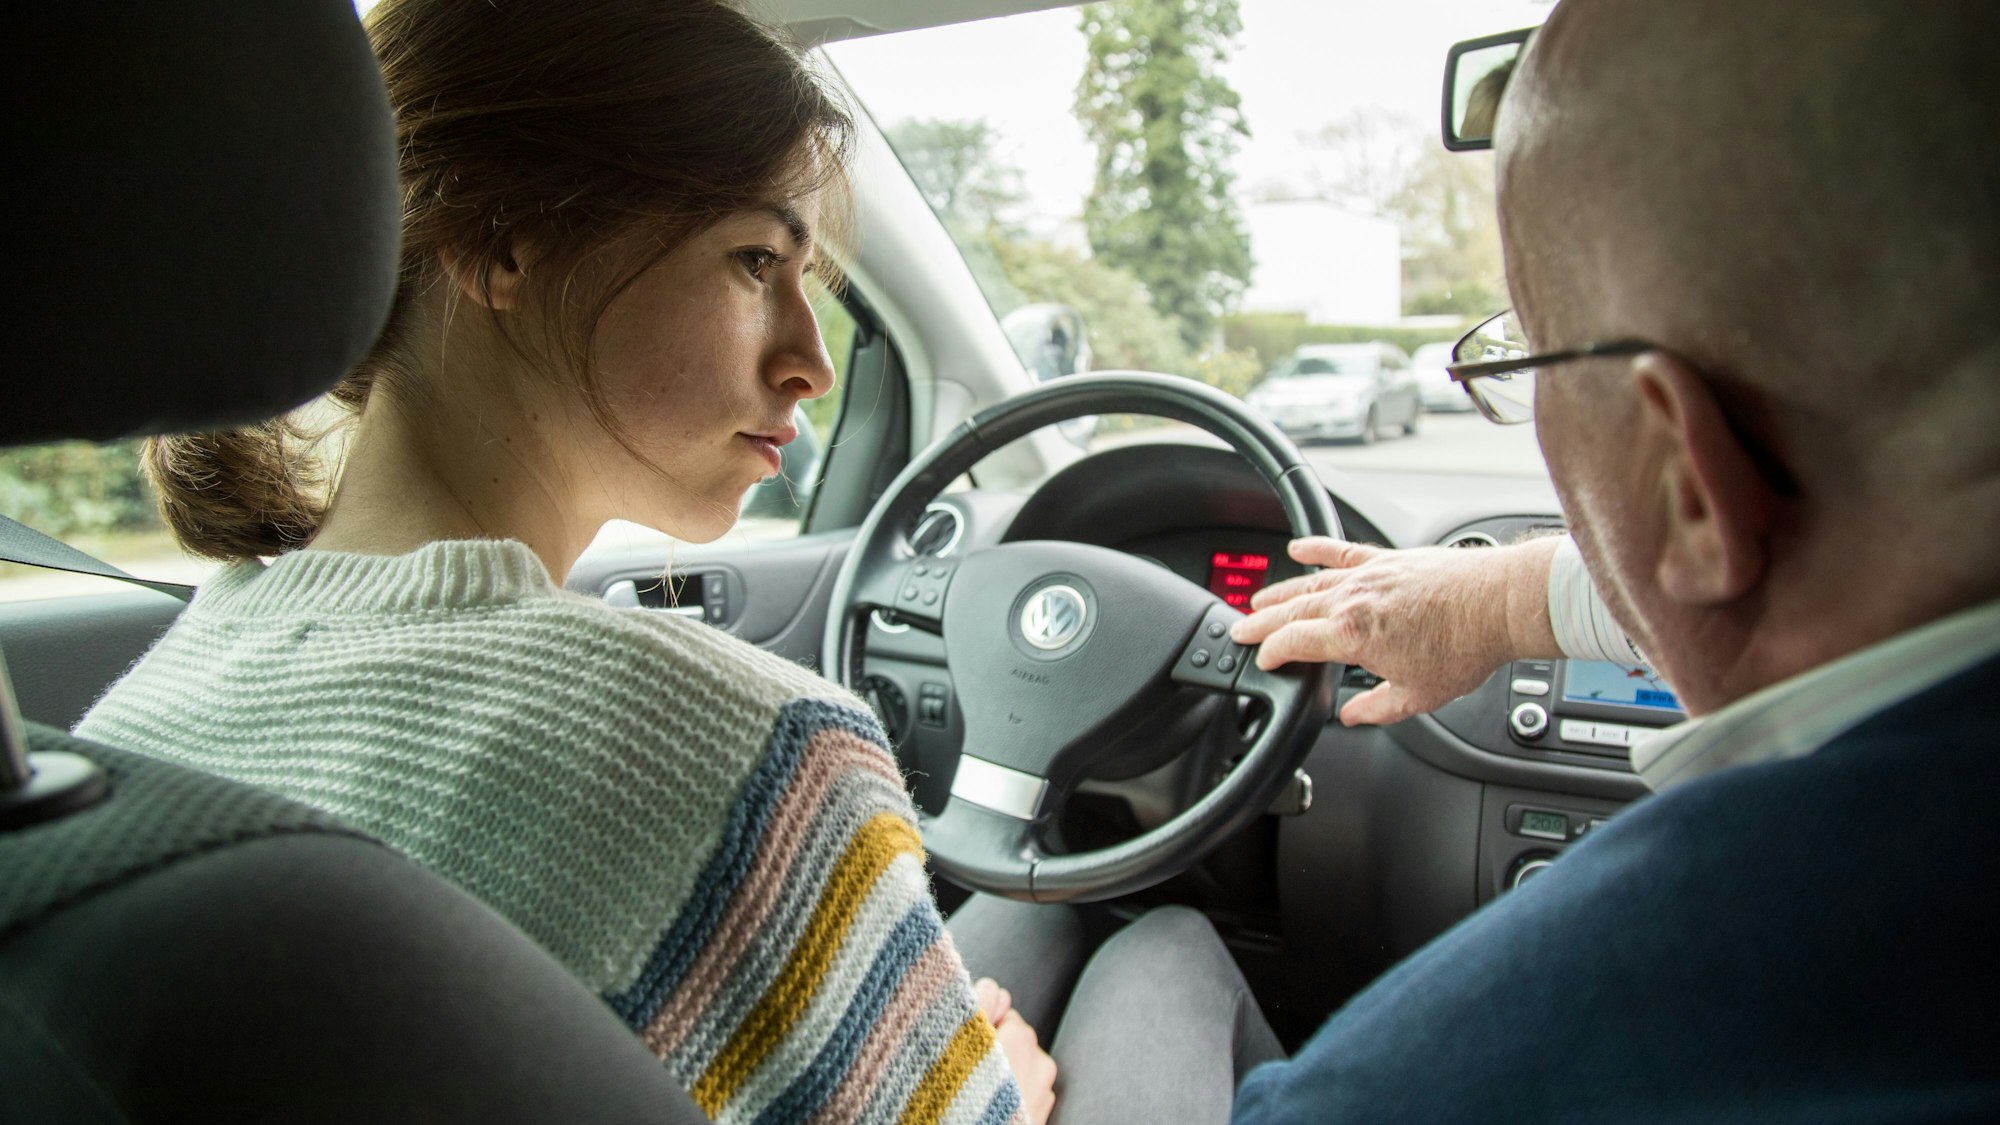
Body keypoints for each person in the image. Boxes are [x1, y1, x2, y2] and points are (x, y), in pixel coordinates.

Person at [73, 2, 1060, 1121]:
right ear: (500, 243)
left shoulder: (133, 725)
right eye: (754, 262)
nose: (810, 365)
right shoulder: (744, 757)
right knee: (1151, 949)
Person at [1227, 0, 2000, 1118]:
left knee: (1149, 961)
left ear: (1680, 478)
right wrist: (1503, 597)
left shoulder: (1389, 1095)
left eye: (1527, 358)